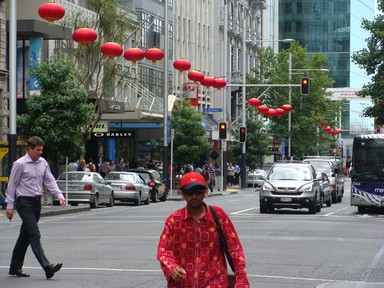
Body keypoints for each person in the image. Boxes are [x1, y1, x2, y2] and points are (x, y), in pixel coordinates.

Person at [157, 172, 249, 287]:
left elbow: (235, 250)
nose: (194, 196)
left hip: (215, 283)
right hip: (183, 284)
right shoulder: (174, 220)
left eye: (199, 192)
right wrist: (172, 267)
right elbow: (164, 251)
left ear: (205, 192)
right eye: (190, 192)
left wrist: (241, 281)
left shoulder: (219, 216)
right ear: (182, 194)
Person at [5, 136, 66, 279]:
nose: (40, 152)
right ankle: (47, 267)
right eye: (37, 150)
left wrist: (59, 195)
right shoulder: (19, 164)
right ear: (29, 149)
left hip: (36, 202)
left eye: (41, 150)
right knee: (34, 233)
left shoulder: (42, 163)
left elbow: (49, 180)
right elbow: (12, 184)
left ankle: (14, 267)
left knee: (25, 237)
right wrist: (10, 205)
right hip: (23, 202)